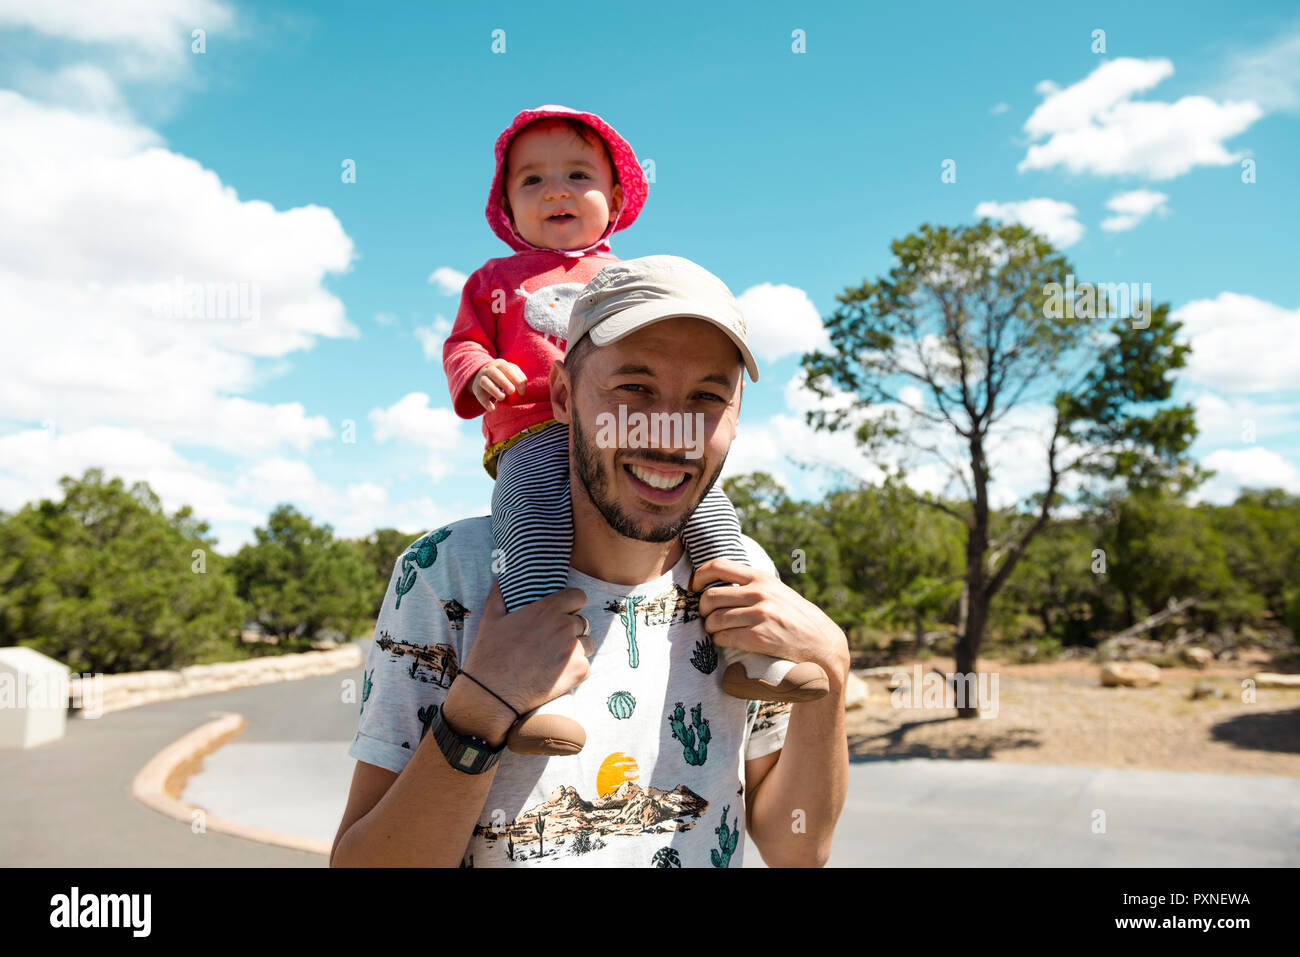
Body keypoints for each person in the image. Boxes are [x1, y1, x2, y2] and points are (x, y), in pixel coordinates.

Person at [332, 255, 850, 868]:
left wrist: (833, 667)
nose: (669, 432)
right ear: (561, 395)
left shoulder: (747, 576)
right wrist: (478, 710)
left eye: (707, 397)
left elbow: (798, 849)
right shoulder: (448, 571)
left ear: (735, 420)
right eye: (634, 389)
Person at [441, 105, 824, 756]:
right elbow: (462, 344)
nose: (556, 190)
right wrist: (478, 370)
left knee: (713, 520)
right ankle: (536, 694)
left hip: (630, 435)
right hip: (531, 436)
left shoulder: (625, 276)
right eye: (531, 180)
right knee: (531, 527)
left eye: (577, 174)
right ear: (505, 205)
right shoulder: (490, 282)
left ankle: (753, 657)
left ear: (615, 196)